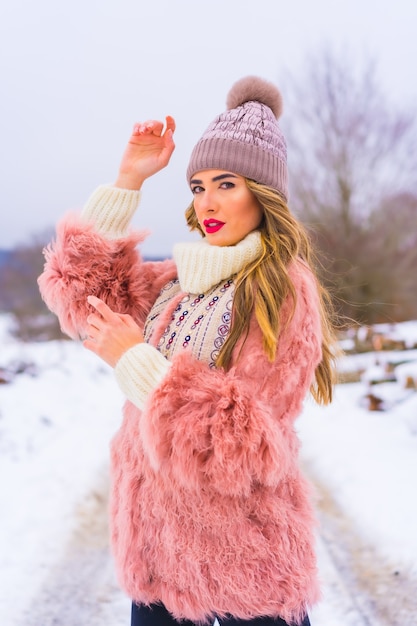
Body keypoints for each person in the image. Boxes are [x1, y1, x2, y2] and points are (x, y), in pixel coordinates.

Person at [38, 75, 337, 626]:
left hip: (242, 564)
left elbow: (248, 443)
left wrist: (138, 363)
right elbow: (83, 299)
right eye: (198, 187)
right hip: (157, 558)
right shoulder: (178, 282)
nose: (208, 202)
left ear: (264, 194)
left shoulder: (279, 288)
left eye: (227, 184)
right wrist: (129, 179)